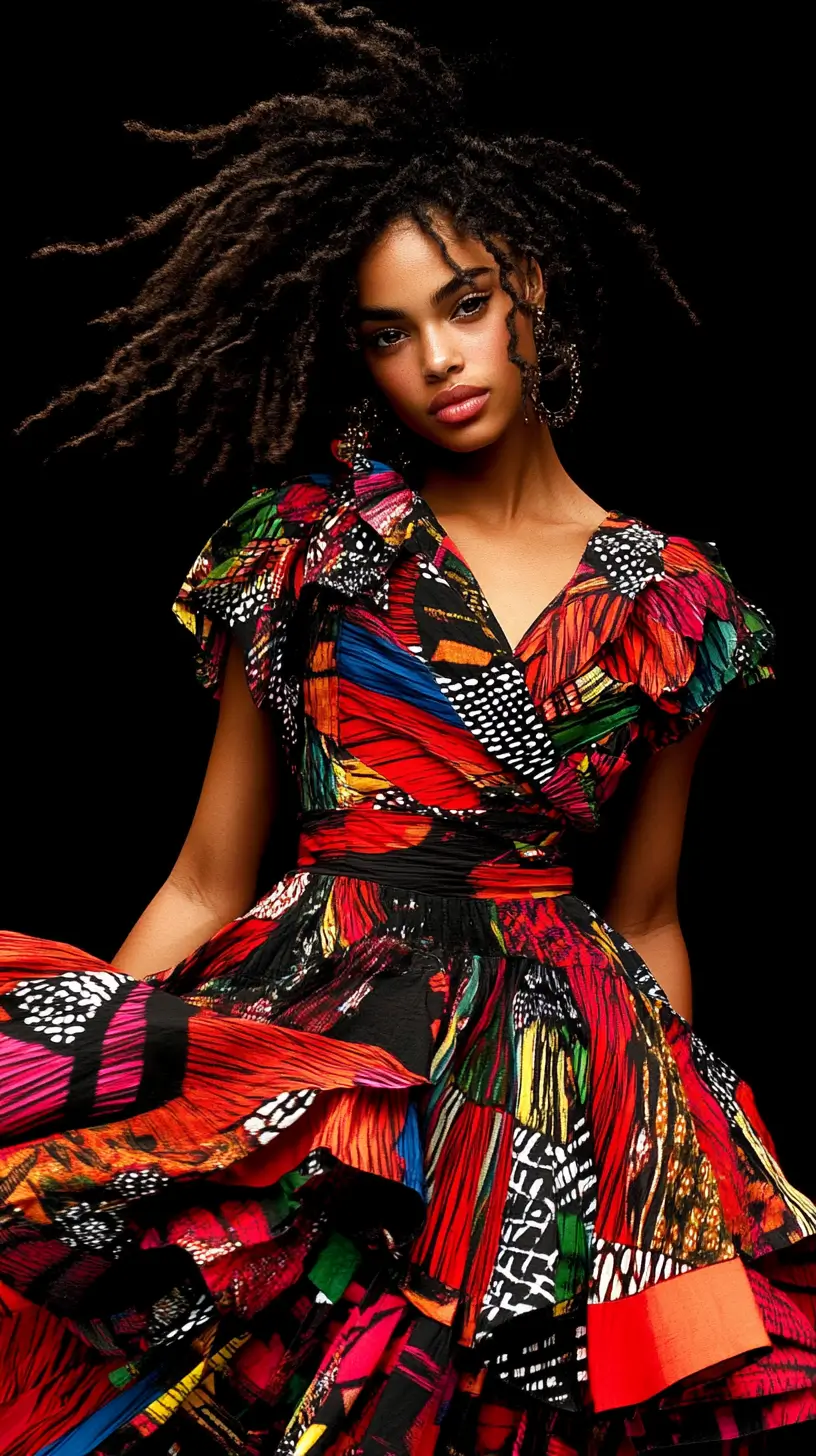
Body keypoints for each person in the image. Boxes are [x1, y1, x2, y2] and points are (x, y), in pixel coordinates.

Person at [1, 6, 813, 1454]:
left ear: (535, 293)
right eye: (389, 333)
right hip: (328, 1050)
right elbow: (207, 871)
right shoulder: (310, 552)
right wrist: (94, 1106)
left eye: (465, 303)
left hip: (560, 1087)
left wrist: (668, 1170)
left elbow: (650, 914)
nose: (437, 358)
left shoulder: (672, 597)